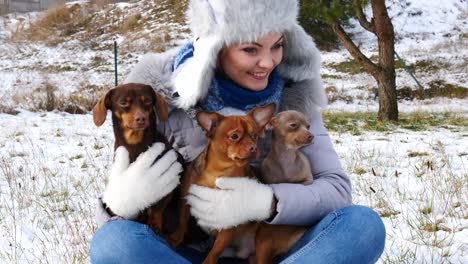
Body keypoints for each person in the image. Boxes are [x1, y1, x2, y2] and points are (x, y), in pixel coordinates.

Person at [90, 0, 386, 263]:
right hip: (186, 250)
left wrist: (266, 201)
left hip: (276, 248)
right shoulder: (160, 97)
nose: (269, 62)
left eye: (277, 45)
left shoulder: (295, 97)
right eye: (250, 49)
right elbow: (116, 220)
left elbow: (336, 190)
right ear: (214, 49)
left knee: (362, 225)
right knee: (113, 243)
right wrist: (120, 202)